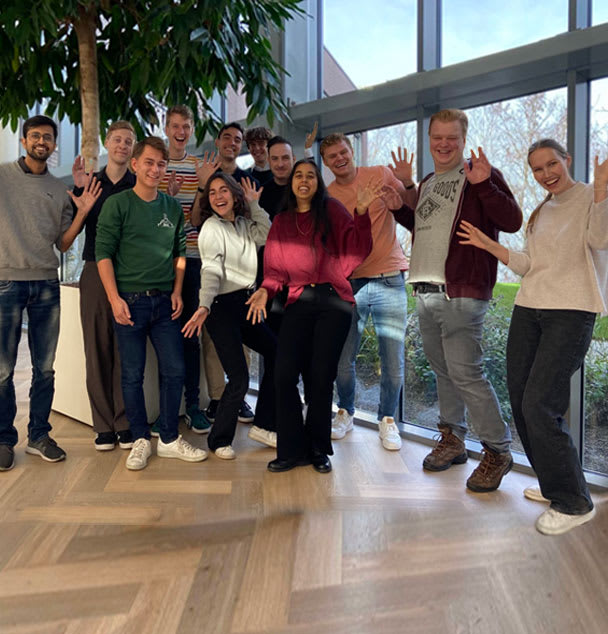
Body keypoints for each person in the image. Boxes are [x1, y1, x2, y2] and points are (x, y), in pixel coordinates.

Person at [457, 138, 608, 534]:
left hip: (571, 312)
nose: (546, 174)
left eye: (551, 164)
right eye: (538, 169)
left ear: (567, 160)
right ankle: (554, 482)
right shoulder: (542, 210)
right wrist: (490, 245)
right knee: (523, 400)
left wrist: (604, 190)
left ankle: (575, 503)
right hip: (530, 308)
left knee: (541, 404)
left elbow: (600, 241)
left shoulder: (592, 195)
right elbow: (530, 265)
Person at [391, 108, 523, 493]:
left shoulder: (481, 175)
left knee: (467, 373)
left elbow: (512, 220)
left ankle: (497, 451)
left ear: (463, 139)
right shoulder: (431, 180)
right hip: (427, 290)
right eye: (438, 137)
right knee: (445, 372)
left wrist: (484, 184)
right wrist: (401, 200)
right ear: (429, 139)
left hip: (463, 291)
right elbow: (422, 225)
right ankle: (453, 439)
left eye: (452, 137)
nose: (444, 144)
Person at [246, 159, 377, 474]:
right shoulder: (281, 222)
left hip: (334, 301)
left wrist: (361, 213)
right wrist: (266, 290)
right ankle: (292, 449)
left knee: (321, 376)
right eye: (298, 175)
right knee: (283, 374)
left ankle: (318, 448)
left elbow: (356, 251)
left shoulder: (332, 211)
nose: (304, 180)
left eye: (310, 176)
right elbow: (275, 271)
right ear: (291, 183)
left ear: (318, 182)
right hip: (298, 300)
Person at [96, 136, 207, 471]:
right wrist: (114, 299)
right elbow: (103, 254)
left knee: (175, 370)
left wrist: (176, 291)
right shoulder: (117, 204)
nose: (156, 169)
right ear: (135, 164)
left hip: (164, 304)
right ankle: (141, 438)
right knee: (131, 374)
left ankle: (170, 438)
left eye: (161, 164)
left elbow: (179, 254)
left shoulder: (172, 208)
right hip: (128, 302)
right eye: (149, 162)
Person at [0, 115, 101, 470]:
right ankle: (3, 439)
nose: (42, 141)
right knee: (3, 370)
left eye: (48, 137)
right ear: (24, 141)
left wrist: (82, 212)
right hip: (5, 283)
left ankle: (39, 435)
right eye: (35, 136)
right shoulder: (2, 175)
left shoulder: (60, 190)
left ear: (54, 145)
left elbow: (63, 242)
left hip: (45, 282)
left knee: (45, 368)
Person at [320, 133, 417, 451]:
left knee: (393, 360)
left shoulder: (379, 174)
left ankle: (387, 419)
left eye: (343, 151)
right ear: (326, 161)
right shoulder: (328, 197)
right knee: (341, 358)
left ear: (352, 151)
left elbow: (413, 212)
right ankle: (345, 411)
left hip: (390, 278)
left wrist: (408, 183)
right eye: (332, 155)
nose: (339, 158)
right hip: (351, 286)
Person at [182, 174, 277, 459]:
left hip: (245, 301)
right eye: (212, 192)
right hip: (220, 306)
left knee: (277, 352)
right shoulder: (211, 227)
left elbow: (267, 233)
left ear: (235, 195)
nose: (218, 196)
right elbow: (210, 270)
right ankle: (218, 440)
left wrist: (254, 204)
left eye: (224, 190)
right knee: (239, 377)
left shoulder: (245, 225)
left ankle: (263, 423)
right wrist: (204, 306)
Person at [72, 120, 137, 451]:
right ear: (106, 144)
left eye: (128, 141)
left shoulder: (138, 185)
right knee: (96, 348)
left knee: (124, 348)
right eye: (117, 140)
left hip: (129, 273)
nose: (122, 146)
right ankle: (103, 426)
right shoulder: (90, 183)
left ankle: (124, 422)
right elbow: (72, 229)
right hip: (95, 271)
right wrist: (82, 199)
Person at [155, 104, 211, 435]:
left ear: (191, 129)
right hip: (159, 262)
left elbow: (198, 220)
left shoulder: (198, 167)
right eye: (175, 125)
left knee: (190, 335)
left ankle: (192, 405)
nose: (181, 130)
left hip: (192, 260)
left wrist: (202, 186)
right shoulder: (156, 166)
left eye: (186, 125)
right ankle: (163, 410)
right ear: (167, 127)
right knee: (163, 336)